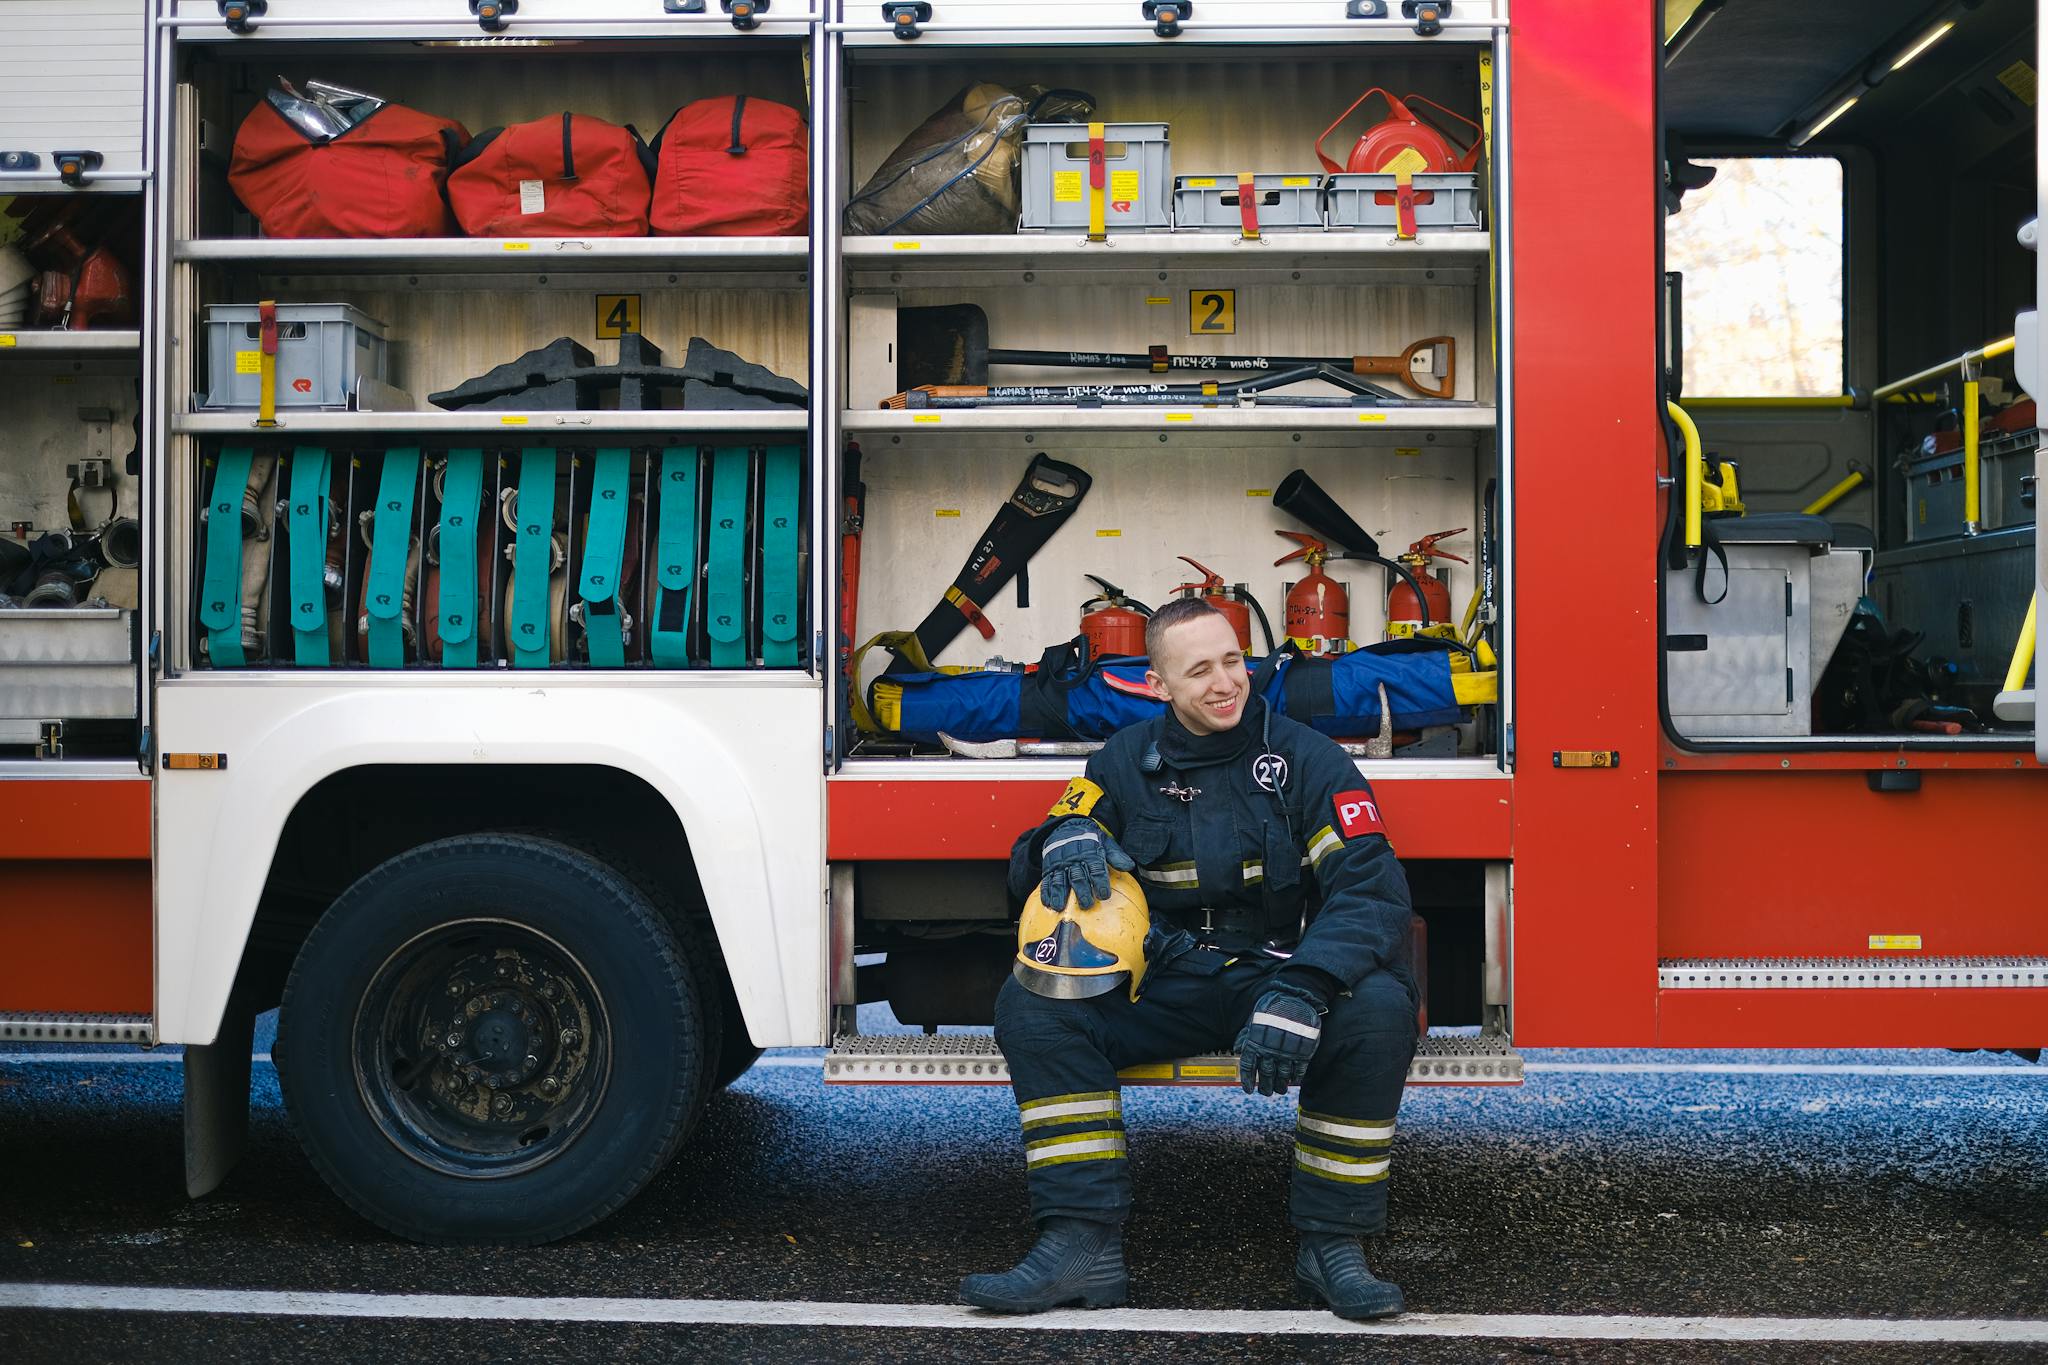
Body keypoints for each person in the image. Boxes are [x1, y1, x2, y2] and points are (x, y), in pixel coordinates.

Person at [959, 597, 1420, 1320]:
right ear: (1158, 683)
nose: (1224, 682)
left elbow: (1371, 889)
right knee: (1034, 1001)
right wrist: (1060, 837)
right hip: (1165, 976)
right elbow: (1026, 867)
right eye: (1199, 669)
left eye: (1233, 660)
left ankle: (1333, 1246)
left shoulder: (1307, 759)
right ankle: (1081, 1245)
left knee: (1382, 1006)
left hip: (1276, 972)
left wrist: (1305, 987)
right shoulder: (1120, 761)